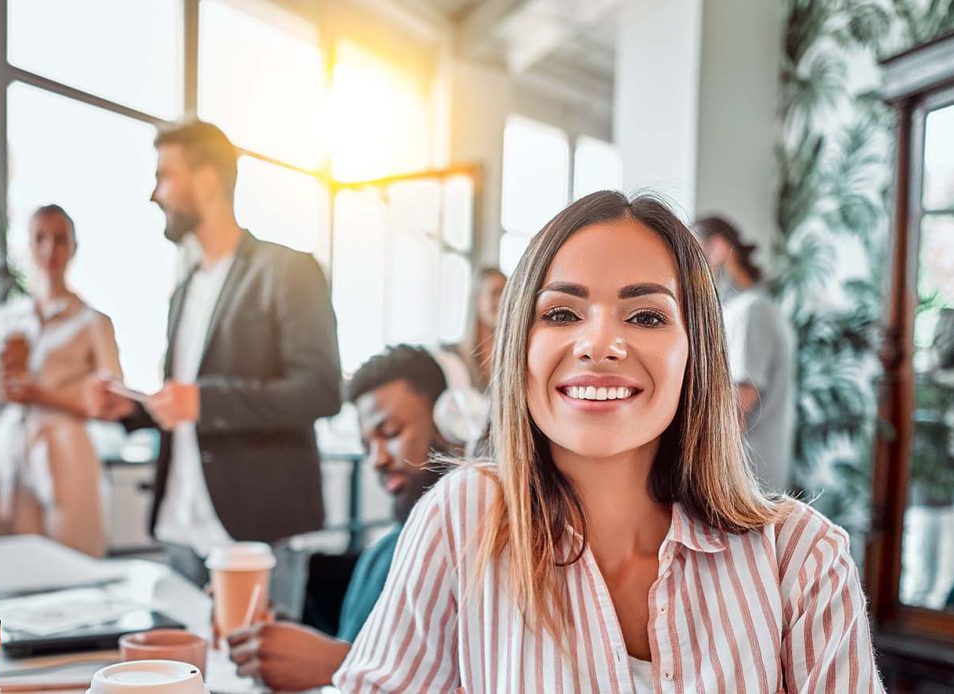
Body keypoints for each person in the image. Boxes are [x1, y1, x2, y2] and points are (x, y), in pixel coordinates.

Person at [335, 192, 882, 692]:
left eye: (646, 316)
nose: (598, 343)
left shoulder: (803, 559)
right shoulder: (464, 519)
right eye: (560, 313)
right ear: (520, 348)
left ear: (697, 354)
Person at [86, 120, 342, 581]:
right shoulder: (184, 291)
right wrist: (133, 409)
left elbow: (321, 390)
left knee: (257, 657)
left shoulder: (288, 270)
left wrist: (205, 400)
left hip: (257, 530)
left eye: (165, 176)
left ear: (206, 182)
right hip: (179, 528)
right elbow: (184, 405)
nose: (155, 194)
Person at [226, 345, 453, 691]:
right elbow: (355, 644)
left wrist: (338, 664)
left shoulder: (476, 552)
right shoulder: (385, 551)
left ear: (449, 420)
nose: (376, 459)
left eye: (390, 433)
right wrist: (285, 644)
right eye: (366, 446)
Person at [0, 204, 122, 556]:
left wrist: (42, 396)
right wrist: (5, 387)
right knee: (18, 564)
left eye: (60, 240)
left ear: (73, 248)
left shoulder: (93, 322)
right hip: (15, 452)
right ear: (27, 246)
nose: (49, 250)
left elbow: (114, 401)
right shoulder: (6, 320)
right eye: (40, 238)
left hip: (68, 450)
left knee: (74, 559)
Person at [696, 215, 796, 490]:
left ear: (716, 249)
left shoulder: (751, 312)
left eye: (693, 254)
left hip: (746, 481)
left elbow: (734, 410)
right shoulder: (746, 309)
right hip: (746, 479)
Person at [433, 268, 506, 451]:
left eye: (506, 293)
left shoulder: (513, 355)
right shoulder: (451, 356)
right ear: (477, 299)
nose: (502, 300)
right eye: (494, 293)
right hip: (458, 454)